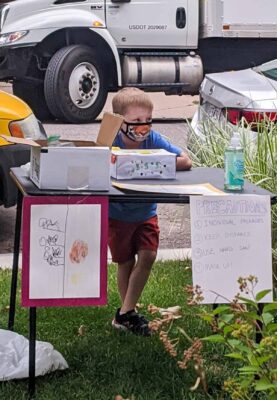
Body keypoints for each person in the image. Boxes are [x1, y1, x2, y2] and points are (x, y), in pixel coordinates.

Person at [109, 87, 192, 336]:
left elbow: (185, 160)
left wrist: (147, 164)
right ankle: (128, 313)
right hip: (117, 214)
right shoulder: (110, 140)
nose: (142, 126)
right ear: (119, 121)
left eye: (147, 120)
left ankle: (125, 313)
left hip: (146, 212)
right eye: (135, 121)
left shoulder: (152, 139)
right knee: (125, 262)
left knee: (148, 256)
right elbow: (94, 163)